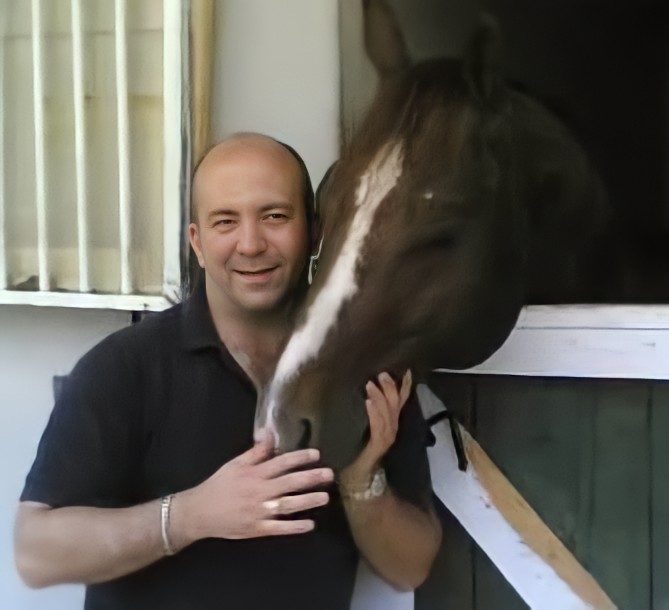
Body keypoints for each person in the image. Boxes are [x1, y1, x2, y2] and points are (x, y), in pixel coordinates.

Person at [14, 133, 441, 609]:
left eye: (274, 216)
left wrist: (360, 479)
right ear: (197, 243)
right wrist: (190, 516)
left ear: (314, 232)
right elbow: (36, 553)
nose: (251, 244)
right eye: (225, 221)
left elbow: (410, 568)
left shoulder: (363, 369)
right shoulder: (125, 368)